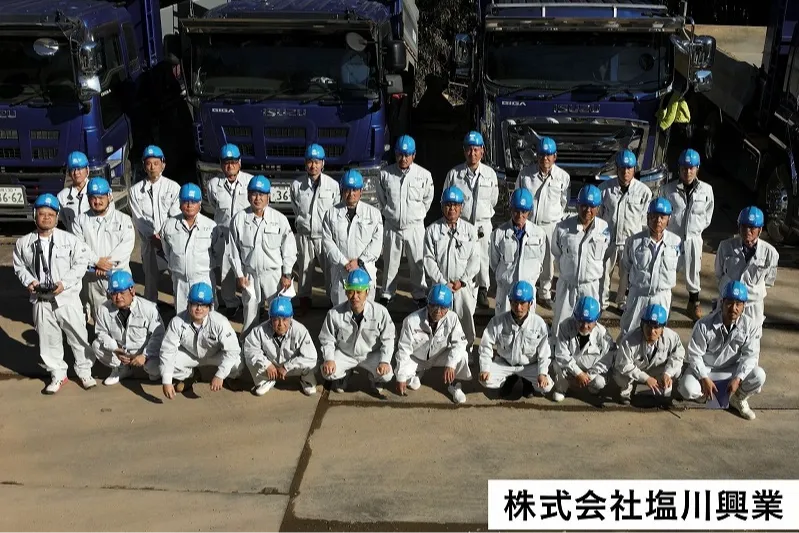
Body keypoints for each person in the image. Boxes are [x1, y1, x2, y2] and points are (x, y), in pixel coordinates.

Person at [12, 194, 94, 393]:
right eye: (42, 214)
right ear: (35, 215)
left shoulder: (70, 240)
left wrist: (64, 284)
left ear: (57, 217)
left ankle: (85, 372)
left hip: (67, 298)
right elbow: (19, 266)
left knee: (78, 336)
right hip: (41, 300)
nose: (46, 218)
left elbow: (81, 263)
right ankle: (58, 374)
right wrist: (30, 281)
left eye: (50, 214)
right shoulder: (24, 243)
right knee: (48, 339)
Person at [678, 281, 766, 420]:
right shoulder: (703, 324)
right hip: (707, 368)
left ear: (744, 306)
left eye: (738, 304)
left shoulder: (751, 326)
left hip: (731, 370)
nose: (734, 308)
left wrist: (738, 378)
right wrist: (704, 378)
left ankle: (738, 399)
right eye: (729, 303)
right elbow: (694, 355)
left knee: (759, 375)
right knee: (686, 388)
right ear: (722, 302)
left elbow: (750, 356)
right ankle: (705, 396)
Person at [226, 175, 297, 336]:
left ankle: (279, 343)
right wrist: (239, 275)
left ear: (268, 196)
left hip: (273, 275)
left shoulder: (279, 219)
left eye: (261, 194)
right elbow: (233, 251)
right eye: (254, 194)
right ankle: (248, 344)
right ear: (248, 195)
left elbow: (289, 249)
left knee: (278, 313)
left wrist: (287, 274)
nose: (257, 198)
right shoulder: (239, 219)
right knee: (250, 314)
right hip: (250, 276)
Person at [443, 131, 499, 309]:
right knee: (461, 257)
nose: (472, 153)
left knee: (483, 257)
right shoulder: (454, 174)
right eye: (469, 149)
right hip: (462, 223)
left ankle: (483, 289)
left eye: (476, 149)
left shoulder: (490, 174)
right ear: (464, 151)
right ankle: (462, 286)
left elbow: (494, 199)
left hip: (482, 223)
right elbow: (446, 197)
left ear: (482, 150)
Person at [159, 282, 244, 399]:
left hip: (215, 355)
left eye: (203, 305)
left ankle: (229, 377)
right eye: (195, 304)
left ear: (210, 306)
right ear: (188, 304)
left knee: (238, 362)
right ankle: (190, 376)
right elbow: (167, 351)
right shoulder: (177, 322)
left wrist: (220, 375)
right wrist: (167, 382)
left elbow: (233, 350)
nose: (199, 308)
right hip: (190, 355)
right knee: (164, 364)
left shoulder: (221, 322)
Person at [377, 135, 434, 307]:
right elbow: (381, 198)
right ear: (395, 154)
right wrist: (389, 213)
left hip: (415, 227)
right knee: (390, 262)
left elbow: (428, 199)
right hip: (393, 225)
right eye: (400, 155)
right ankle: (387, 292)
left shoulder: (424, 175)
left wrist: (418, 214)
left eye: (407, 155)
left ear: (414, 155)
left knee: (417, 262)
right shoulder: (385, 174)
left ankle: (419, 293)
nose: (403, 158)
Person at [658, 148, 714, 320]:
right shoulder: (668, 190)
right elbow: (662, 213)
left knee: (693, 271)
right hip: (672, 238)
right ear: (679, 168)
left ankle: (693, 303)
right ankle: (664, 303)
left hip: (693, 238)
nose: (687, 172)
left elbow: (708, 214)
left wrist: (696, 229)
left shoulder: (706, 190)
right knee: (667, 269)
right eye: (684, 168)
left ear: (697, 168)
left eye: (691, 168)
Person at [319, 269, 395, 394]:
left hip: (370, 354)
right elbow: (327, 339)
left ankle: (375, 378)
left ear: (367, 292)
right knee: (327, 372)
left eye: (359, 292)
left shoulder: (380, 312)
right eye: (351, 291)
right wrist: (329, 359)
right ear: (346, 292)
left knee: (387, 374)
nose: (355, 296)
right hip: (346, 354)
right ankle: (345, 374)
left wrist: (384, 361)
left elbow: (388, 339)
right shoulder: (334, 313)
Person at [515, 136, 570, 307]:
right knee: (526, 258)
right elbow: (517, 195)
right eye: (541, 154)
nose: (545, 158)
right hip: (529, 223)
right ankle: (524, 290)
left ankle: (544, 293)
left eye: (548, 155)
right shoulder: (525, 174)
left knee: (548, 261)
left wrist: (553, 216)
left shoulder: (563, 177)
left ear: (555, 156)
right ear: (536, 155)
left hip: (550, 225)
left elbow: (564, 201)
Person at [423, 186, 480, 348]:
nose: (452, 209)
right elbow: (429, 259)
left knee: (465, 321)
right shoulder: (432, 230)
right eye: (448, 205)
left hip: (462, 287)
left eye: (456, 205)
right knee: (439, 321)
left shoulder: (470, 231)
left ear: (461, 207)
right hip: (441, 286)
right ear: (442, 206)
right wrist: (442, 283)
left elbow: (475, 260)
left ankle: (466, 349)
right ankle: (440, 349)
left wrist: (462, 281)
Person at [395, 284, 470, 404]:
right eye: (434, 305)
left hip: (439, 356)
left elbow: (460, 343)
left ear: (449, 307)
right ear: (428, 303)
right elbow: (403, 349)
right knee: (403, 376)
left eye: (443, 307)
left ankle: (455, 384)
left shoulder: (453, 318)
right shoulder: (411, 320)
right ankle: (416, 374)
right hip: (417, 358)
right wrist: (401, 377)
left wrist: (451, 364)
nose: (438, 311)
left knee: (462, 356)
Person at [72, 177, 135, 321]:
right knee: (100, 316)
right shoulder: (80, 221)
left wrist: (106, 265)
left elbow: (126, 246)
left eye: (101, 197)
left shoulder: (123, 219)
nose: (97, 201)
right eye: (93, 198)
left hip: (119, 276)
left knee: (125, 314)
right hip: (93, 278)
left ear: (110, 196)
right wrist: (96, 262)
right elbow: (79, 246)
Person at [551, 185, 610, 337]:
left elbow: (605, 256)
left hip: (590, 286)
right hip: (567, 286)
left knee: (588, 328)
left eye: (592, 206)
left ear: (598, 208)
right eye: (584, 205)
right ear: (577, 205)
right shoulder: (563, 227)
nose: (588, 210)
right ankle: (557, 351)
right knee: (560, 327)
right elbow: (556, 253)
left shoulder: (604, 229)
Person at [618, 197, 682, 339]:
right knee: (628, 332)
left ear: (669, 219)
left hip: (661, 296)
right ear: (647, 217)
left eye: (662, 217)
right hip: (638, 295)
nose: (658, 220)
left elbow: (678, 266)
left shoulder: (676, 242)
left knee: (657, 335)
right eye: (654, 216)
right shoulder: (634, 241)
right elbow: (627, 266)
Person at [478, 281, 553, 399]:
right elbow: (485, 345)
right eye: (515, 302)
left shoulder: (539, 324)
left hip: (529, 366)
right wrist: (485, 368)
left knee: (546, 387)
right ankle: (510, 379)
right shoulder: (497, 321)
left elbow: (545, 353)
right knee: (485, 380)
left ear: (530, 303)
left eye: (522, 303)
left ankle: (527, 382)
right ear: (510, 301)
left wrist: (542, 373)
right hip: (506, 364)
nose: (518, 307)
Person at [598, 149, 652, 311]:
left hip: (630, 241)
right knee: (603, 273)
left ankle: (622, 302)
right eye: (622, 168)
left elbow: (645, 221)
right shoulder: (604, 189)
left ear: (634, 169)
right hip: (608, 240)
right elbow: (598, 216)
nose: (625, 172)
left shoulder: (644, 192)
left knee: (627, 276)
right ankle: (601, 302)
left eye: (629, 168)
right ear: (617, 168)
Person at [290, 144, 340, 315]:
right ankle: (304, 300)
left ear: (323, 163)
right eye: (310, 162)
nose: (313, 166)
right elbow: (296, 209)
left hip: (325, 236)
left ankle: (332, 299)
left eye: (317, 162)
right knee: (304, 270)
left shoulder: (332, 185)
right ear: (305, 163)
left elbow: (335, 212)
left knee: (330, 270)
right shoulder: (296, 185)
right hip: (305, 235)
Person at [321, 169, 383, 306]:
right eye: (347, 190)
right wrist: (344, 262)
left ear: (361, 191)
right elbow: (327, 242)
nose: (351, 194)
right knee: (340, 312)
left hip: (365, 269)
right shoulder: (331, 214)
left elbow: (376, 243)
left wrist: (359, 262)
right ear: (342, 191)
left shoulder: (374, 214)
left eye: (355, 190)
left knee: (365, 310)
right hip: (341, 271)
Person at [128, 145, 181, 302]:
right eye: (148, 164)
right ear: (144, 166)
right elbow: (138, 219)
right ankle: (151, 308)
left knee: (177, 277)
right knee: (150, 281)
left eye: (156, 163)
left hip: (170, 241)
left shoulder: (173, 187)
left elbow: (176, 215)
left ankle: (179, 308)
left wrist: (164, 238)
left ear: (163, 164)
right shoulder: (135, 191)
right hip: (149, 243)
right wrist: (153, 237)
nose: (152, 167)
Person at [205, 143, 253, 315]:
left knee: (248, 270)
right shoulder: (213, 184)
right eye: (226, 162)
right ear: (221, 164)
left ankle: (251, 303)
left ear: (240, 162)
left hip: (245, 234)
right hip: (224, 234)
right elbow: (213, 205)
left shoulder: (250, 181)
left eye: (233, 162)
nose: (230, 166)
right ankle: (231, 304)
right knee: (226, 272)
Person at [92, 271, 164, 385]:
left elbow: (158, 335)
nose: (118, 297)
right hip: (122, 351)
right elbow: (101, 333)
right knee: (97, 345)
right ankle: (122, 369)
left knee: (155, 370)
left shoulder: (149, 308)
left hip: (143, 352)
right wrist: (115, 349)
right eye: (114, 293)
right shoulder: (103, 309)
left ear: (132, 290)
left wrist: (145, 356)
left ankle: (150, 368)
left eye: (122, 292)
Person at [161, 183, 223, 313]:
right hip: (180, 281)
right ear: (179, 204)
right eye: (185, 201)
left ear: (200, 204)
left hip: (203, 278)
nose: (189, 205)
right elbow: (167, 251)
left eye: (193, 201)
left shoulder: (211, 226)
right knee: (182, 315)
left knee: (206, 316)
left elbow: (218, 252)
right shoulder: (169, 226)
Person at [715, 206, 779, 328]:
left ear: (760, 229)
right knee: (722, 334)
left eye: (752, 228)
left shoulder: (770, 253)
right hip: (728, 303)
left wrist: (752, 290)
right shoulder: (725, 247)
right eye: (743, 227)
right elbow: (718, 273)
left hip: (752, 306)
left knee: (752, 336)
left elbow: (769, 281)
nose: (747, 231)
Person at [243, 297, 318, 397]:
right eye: (276, 319)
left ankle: (306, 380)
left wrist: (287, 367)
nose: (280, 324)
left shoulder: (301, 331)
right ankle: (264, 380)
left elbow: (311, 357)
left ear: (291, 317)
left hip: (292, 366)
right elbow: (249, 349)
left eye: (285, 319)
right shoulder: (259, 331)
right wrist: (266, 364)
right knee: (249, 358)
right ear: (270, 318)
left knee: (311, 362)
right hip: (271, 366)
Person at [489, 188, 546, 315]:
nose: (520, 216)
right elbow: (494, 262)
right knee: (503, 324)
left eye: (524, 211)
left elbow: (540, 260)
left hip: (527, 291)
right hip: (506, 291)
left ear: (530, 211)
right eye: (516, 211)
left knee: (527, 325)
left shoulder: (539, 234)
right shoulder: (499, 234)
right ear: (510, 209)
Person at [614, 303, 684, 404]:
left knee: (677, 371)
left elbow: (678, 356)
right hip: (636, 371)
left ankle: (667, 388)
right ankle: (626, 392)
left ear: (663, 329)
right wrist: (645, 378)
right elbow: (623, 364)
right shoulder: (629, 339)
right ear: (642, 325)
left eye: (656, 327)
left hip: (657, 370)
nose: (651, 331)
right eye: (648, 326)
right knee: (619, 374)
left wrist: (668, 373)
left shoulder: (672, 337)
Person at [552, 296, 615, 402]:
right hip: (571, 369)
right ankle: (561, 388)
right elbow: (561, 354)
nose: (585, 326)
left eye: (589, 322)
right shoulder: (565, 326)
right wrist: (578, 373)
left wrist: (589, 375)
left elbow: (607, 360)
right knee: (556, 364)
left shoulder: (603, 334)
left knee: (599, 381)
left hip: (591, 371)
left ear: (596, 319)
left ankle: (592, 386)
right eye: (581, 321)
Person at [57, 151, 92, 233]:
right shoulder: (62, 196)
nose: (76, 173)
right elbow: (64, 221)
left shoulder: (98, 191)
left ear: (87, 170)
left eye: (79, 168)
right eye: (73, 169)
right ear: (69, 173)